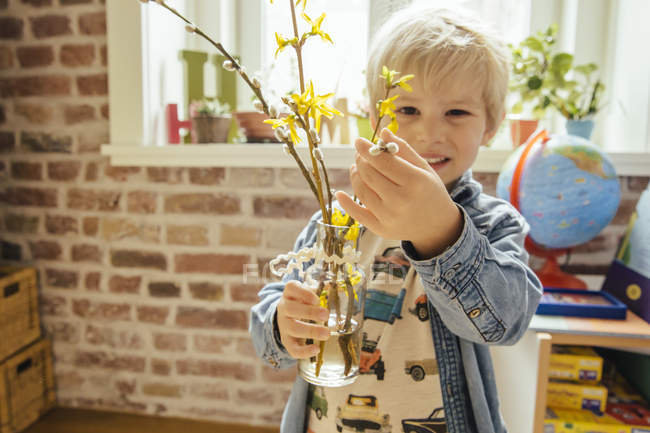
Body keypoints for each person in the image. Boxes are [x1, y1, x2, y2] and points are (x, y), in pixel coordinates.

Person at [250, 5, 543, 433]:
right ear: (375, 118)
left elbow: (506, 322)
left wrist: (440, 232)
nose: (428, 134)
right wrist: (281, 324)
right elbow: (269, 319)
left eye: (456, 113)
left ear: (491, 125)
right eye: (407, 111)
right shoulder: (336, 222)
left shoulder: (493, 223)